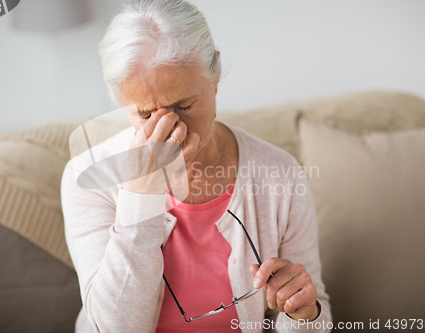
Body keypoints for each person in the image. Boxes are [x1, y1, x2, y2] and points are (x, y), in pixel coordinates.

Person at [61, 0, 332, 332]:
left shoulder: (281, 174)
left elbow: (315, 311)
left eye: (184, 105)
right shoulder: (86, 176)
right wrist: (139, 195)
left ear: (215, 74)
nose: (172, 129)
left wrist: (302, 313)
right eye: (145, 115)